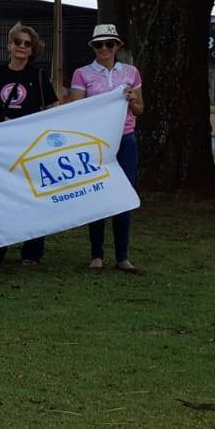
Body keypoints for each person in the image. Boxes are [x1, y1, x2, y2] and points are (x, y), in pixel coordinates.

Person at [64, 23, 145, 274]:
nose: (104, 49)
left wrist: (133, 100)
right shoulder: (82, 74)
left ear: (117, 46)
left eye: (109, 44)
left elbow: (141, 110)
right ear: (93, 47)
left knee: (123, 196)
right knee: (96, 193)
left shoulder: (131, 72)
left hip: (125, 139)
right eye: (99, 44)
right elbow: (77, 110)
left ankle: (122, 255)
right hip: (95, 142)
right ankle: (96, 254)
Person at [0, 23, 59, 266]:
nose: (22, 47)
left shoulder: (38, 76)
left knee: (33, 197)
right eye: (18, 42)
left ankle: (32, 251)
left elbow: (52, 109)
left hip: (31, 146)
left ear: (32, 50)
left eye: (27, 44)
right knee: (0, 197)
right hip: (0, 146)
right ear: (10, 46)